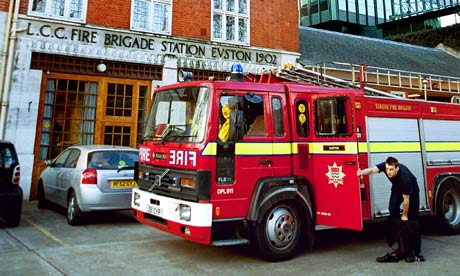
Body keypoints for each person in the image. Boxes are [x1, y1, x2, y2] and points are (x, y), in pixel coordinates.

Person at [357, 156, 425, 263]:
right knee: (392, 209)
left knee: (412, 219)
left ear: (397, 168)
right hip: (397, 188)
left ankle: (415, 252)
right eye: (387, 169)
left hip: (412, 191)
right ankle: (400, 244)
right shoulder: (385, 166)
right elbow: (372, 170)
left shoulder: (404, 178)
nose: (388, 172)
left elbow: (406, 200)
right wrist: (362, 172)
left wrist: (404, 215)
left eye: (391, 169)